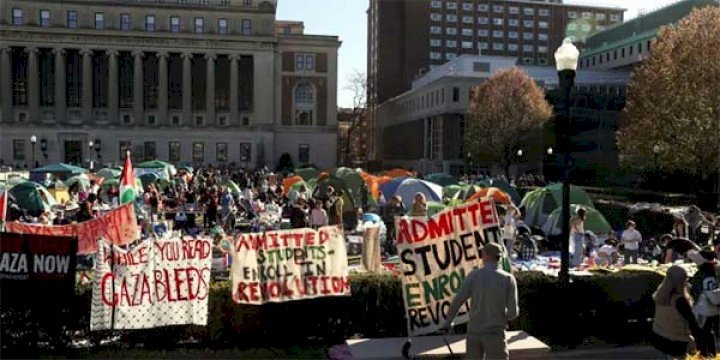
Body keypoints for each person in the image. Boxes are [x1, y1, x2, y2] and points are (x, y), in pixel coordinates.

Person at [442, 242, 518, 360]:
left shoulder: (474, 276)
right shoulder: (508, 279)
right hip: (495, 334)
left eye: (482, 253)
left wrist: (449, 322)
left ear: (487, 256)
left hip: (474, 332)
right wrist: (503, 318)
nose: (481, 256)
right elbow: (513, 313)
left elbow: (458, 300)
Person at [651, 265, 701, 358]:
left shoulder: (659, 295)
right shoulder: (679, 300)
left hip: (658, 337)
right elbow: (692, 322)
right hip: (676, 342)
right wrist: (700, 340)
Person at [689, 250, 720, 357]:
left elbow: (711, 293)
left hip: (704, 309)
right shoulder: (710, 273)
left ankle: (705, 355)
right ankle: (709, 354)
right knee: (706, 333)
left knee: (702, 333)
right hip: (707, 308)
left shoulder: (706, 275)